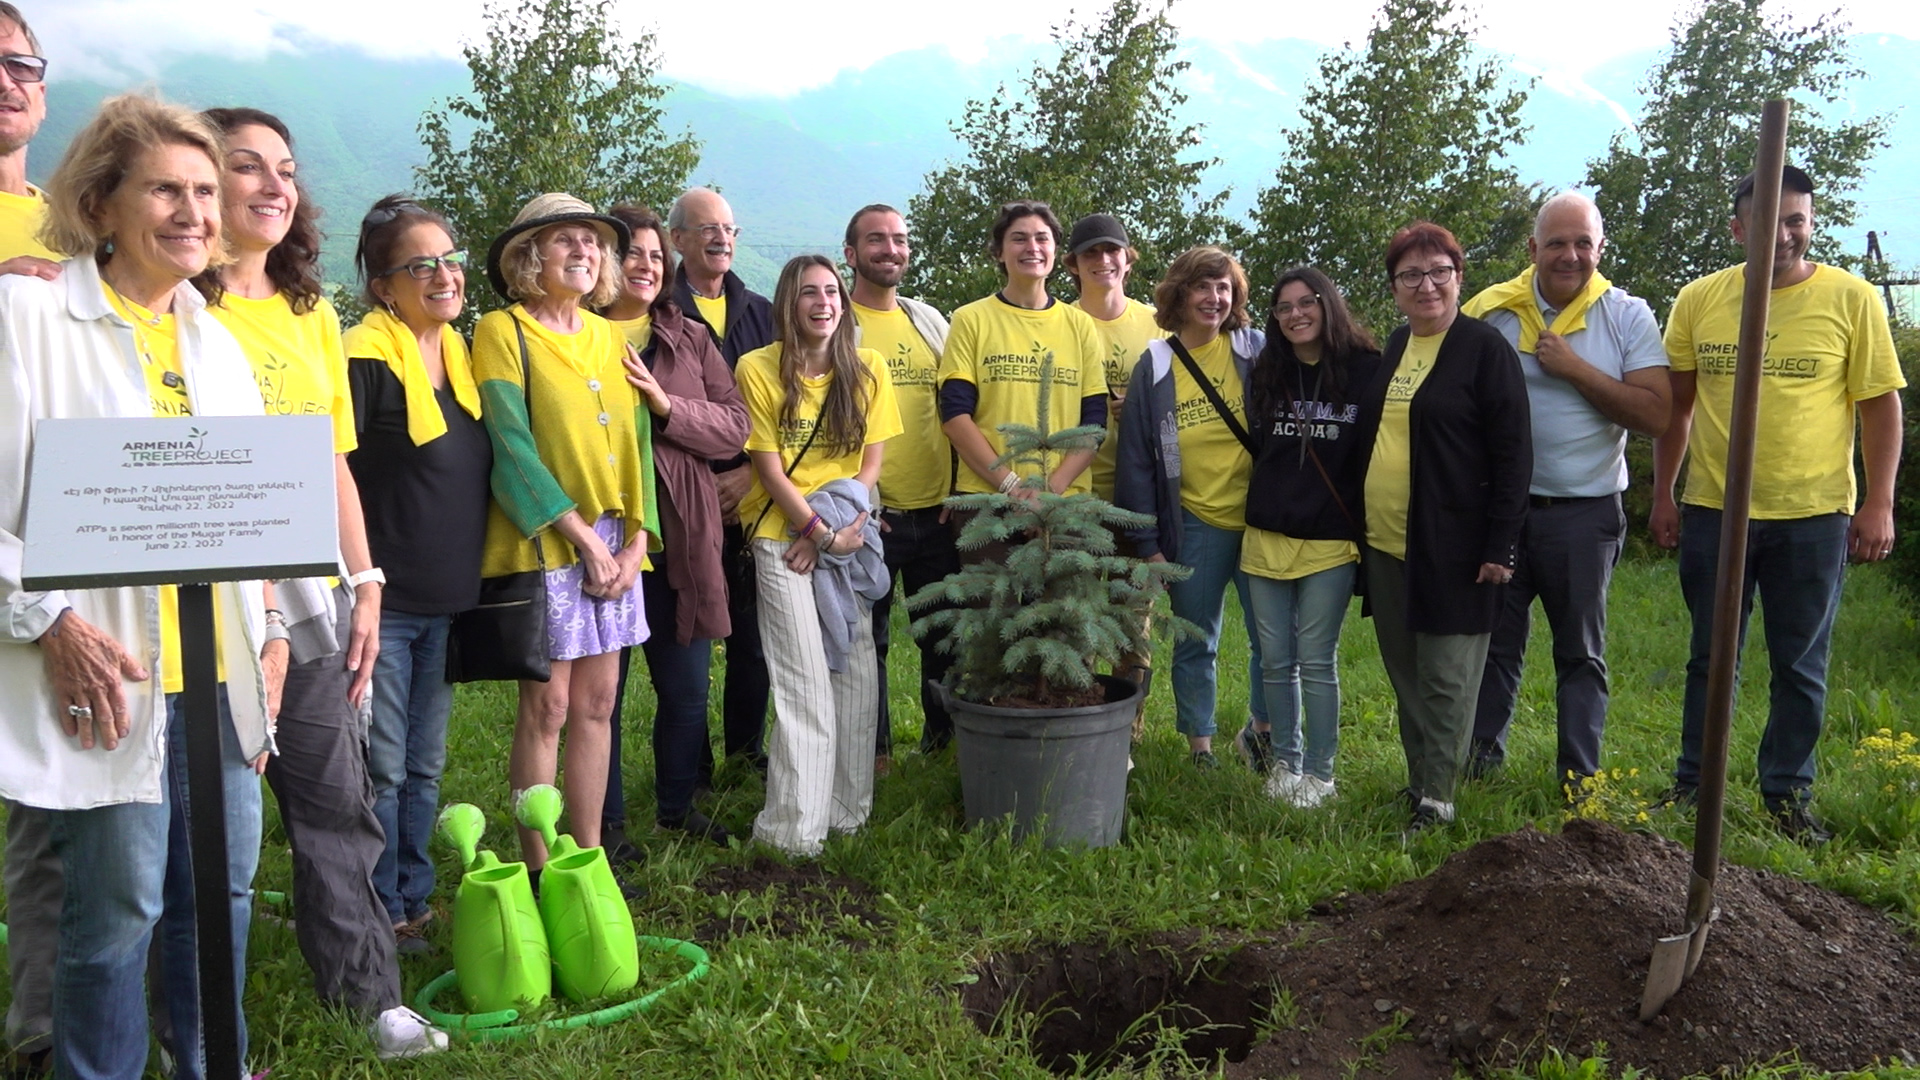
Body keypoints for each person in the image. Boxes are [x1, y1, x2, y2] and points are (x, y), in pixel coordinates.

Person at [0, 91, 282, 1080]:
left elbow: (256, 515)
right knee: (117, 911)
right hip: (110, 667)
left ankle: (212, 1067)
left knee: (224, 894)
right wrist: (49, 620)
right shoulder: (30, 316)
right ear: (103, 199)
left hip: (218, 672)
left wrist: (275, 629)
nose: (195, 211)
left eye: (207, 189)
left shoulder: (216, 342)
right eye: (165, 188)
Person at [194, 106, 444, 1063]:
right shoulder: (174, 304)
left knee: (335, 795)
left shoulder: (306, 312)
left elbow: (333, 459)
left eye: (285, 171)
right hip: (201, 584)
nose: (271, 186)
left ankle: (369, 993)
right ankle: (196, 1016)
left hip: (307, 586)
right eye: (245, 166)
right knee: (207, 812)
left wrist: (365, 580)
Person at [1650, 165, 1904, 844]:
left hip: (1814, 515)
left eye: (1797, 220)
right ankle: (1693, 784)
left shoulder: (1850, 300)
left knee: (1800, 663)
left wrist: (1879, 502)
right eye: (1770, 221)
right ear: (1739, 229)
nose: (1785, 234)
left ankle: (1787, 796)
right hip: (1714, 509)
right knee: (1711, 654)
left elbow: (1880, 407)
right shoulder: (1700, 300)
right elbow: (1677, 410)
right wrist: (1663, 494)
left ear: (1811, 226)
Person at [1461, 192, 1671, 798]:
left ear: (1600, 249)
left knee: (1580, 652)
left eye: (1583, 243)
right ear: (1532, 249)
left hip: (1582, 513)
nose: (1570, 255)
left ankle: (1579, 781)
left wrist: (1574, 368)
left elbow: (1657, 415)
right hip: (1502, 512)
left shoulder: (1627, 316)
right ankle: (1478, 768)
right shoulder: (1492, 311)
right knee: (1494, 646)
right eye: (1557, 242)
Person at [475, 192, 657, 871]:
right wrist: (584, 539)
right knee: (548, 705)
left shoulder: (613, 336)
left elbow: (638, 441)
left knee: (600, 702)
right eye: (564, 240)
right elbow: (510, 443)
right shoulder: (504, 330)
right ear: (530, 256)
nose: (583, 250)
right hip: (550, 538)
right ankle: (541, 865)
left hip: (617, 543)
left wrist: (637, 542)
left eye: (592, 241)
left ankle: (588, 858)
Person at [342, 196, 491, 952]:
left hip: (444, 598)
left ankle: (412, 898)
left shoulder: (460, 353)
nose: (444, 274)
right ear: (383, 286)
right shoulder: (366, 357)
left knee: (425, 765)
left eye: (451, 258)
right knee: (387, 764)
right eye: (420, 264)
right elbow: (332, 471)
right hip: (386, 600)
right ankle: (379, 906)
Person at [1357, 221, 1531, 833]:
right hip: (1385, 542)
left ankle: (1439, 799)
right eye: (1411, 275)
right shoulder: (1397, 348)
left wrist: (1501, 544)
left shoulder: (1484, 350)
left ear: (1459, 278)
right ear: (1395, 288)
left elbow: (1514, 455)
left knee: (1446, 676)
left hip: (1456, 547)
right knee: (1406, 672)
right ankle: (1418, 782)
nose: (1426, 285)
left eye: (1439, 272)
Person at [597, 202, 749, 851]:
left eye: (658, 256)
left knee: (687, 690)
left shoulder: (687, 335)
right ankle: (604, 825)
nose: (648, 265)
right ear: (606, 259)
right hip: (603, 536)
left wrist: (665, 406)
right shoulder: (573, 332)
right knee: (597, 700)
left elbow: (735, 426)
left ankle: (677, 806)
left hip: (683, 534)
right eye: (635, 253)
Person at [737, 255, 900, 856]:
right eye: (810, 292)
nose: (824, 302)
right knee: (804, 679)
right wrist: (811, 532)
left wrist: (837, 534)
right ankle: (793, 833)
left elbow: (871, 463)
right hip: (783, 539)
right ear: (789, 302)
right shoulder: (758, 368)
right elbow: (769, 467)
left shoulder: (869, 368)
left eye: (832, 290)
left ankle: (846, 816)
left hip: (849, 534)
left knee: (855, 674)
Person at [1114, 246, 1268, 769]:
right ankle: (1200, 745)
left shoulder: (1254, 350)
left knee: (1272, 638)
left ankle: (1261, 731)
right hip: (1195, 523)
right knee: (1196, 639)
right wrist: (1148, 543)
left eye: (1224, 287)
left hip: (1261, 522)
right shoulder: (1156, 364)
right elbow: (1135, 458)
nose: (1215, 298)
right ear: (1179, 293)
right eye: (1203, 287)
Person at [1239, 266, 1382, 806]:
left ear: (1328, 305)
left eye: (1307, 302)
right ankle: (1285, 764)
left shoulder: (1366, 371)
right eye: (1284, 307)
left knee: (1317, 659)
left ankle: (1320, 775)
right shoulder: (1266, 372)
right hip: (1266, 535)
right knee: (1275, 660)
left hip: (1331, 540)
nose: (1296, 314)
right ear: (1274, 319)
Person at [0, 6, 61, 1073]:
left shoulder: (68, 226)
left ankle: (52, 1034)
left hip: (62, 545)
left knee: (51, 810)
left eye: (21, 66)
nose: (6, 80)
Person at [843, 203, 957, 760]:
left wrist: (957, 492)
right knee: (870, 641)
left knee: (944, 638)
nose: (891, 249)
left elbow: (961, 410)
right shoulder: (837, 324)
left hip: (938, 510)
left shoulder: (928, 320)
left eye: (899, 239)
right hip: (871, 516)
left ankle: (943, 746)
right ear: (851, 254)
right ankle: (877, 752)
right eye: (876, 240)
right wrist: (858, 501)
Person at [668, 186, 774, 785]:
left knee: (752, 636)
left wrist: (753, 471)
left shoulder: (759, 310)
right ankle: (694, 764)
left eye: (729, 229)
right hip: (686, 494)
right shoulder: (661, 309)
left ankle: (746, 753)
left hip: (755, 489)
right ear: (677, 239)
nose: (721, 238)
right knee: (692, 636)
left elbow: (785, 398)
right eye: (706, 228)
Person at [938, 200, 1108, 556]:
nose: (1032, 248)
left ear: (1055, 249)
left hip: (1066, 503)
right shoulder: (971, 319)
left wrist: (1050, 492)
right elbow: (954, 416)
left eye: (1042, 239)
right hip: (985, 501)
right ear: (999, 252)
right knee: (991, 614)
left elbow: (1094, 422)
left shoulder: (1080, 326)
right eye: (1019, 239)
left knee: (1065, 614)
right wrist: (1013, 488)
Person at [1065, 212, 1160, 739]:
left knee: (1131, 620)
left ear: (1128, 258)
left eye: (1112, 251)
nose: (1104, 261)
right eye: (1090, 254)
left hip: (1136, 495)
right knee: (1075, 615)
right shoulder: (1061, 322)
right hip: (1078, 493)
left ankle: (1130, 728)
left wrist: (1141, 408)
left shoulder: (1154, 323)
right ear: (1074, 266)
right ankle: (1077, 720)